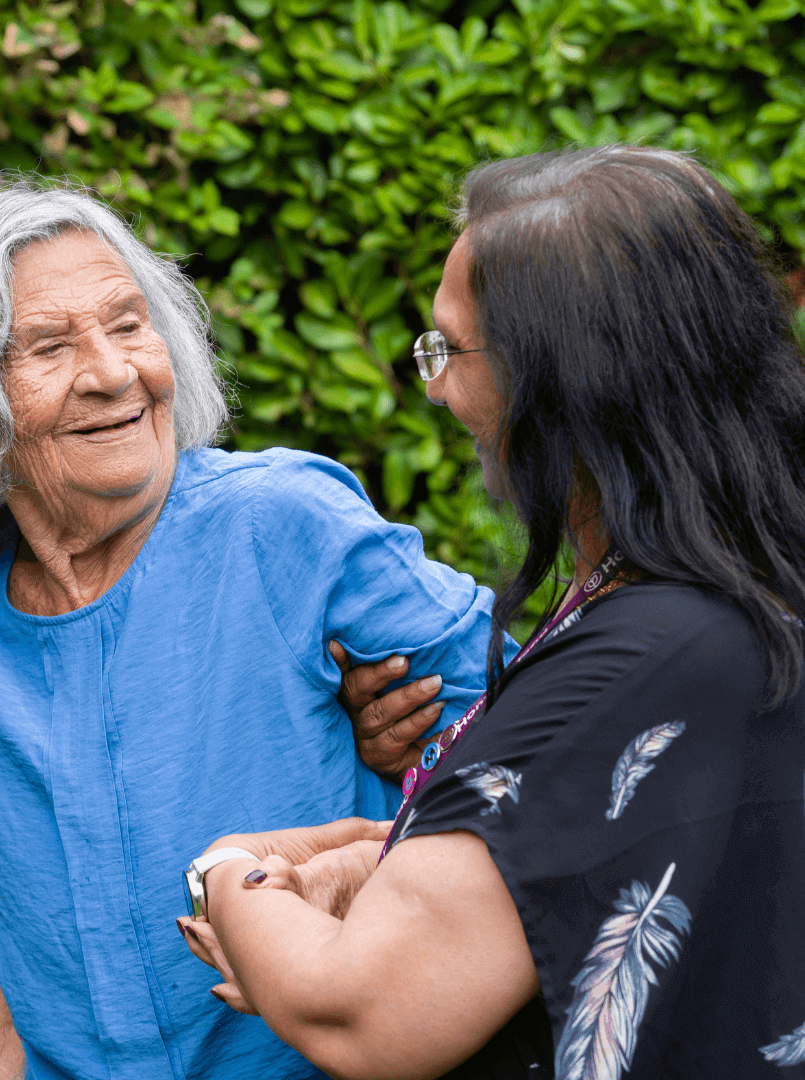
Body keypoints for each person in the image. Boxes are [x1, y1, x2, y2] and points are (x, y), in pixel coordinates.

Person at [0, 181, 509, 1080]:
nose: (115, 372)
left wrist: (418, 756)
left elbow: (542, 733)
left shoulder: (282, 522)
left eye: (128, 324)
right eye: (49, 345)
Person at [178, 145, 805, 1080]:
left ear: (567, 384)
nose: (431, 386)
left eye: (449, 350)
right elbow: (593, 846)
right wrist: (378, 858)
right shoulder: (738, 587)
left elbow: (361, 1011)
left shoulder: (644, 655)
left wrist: (229, 874)